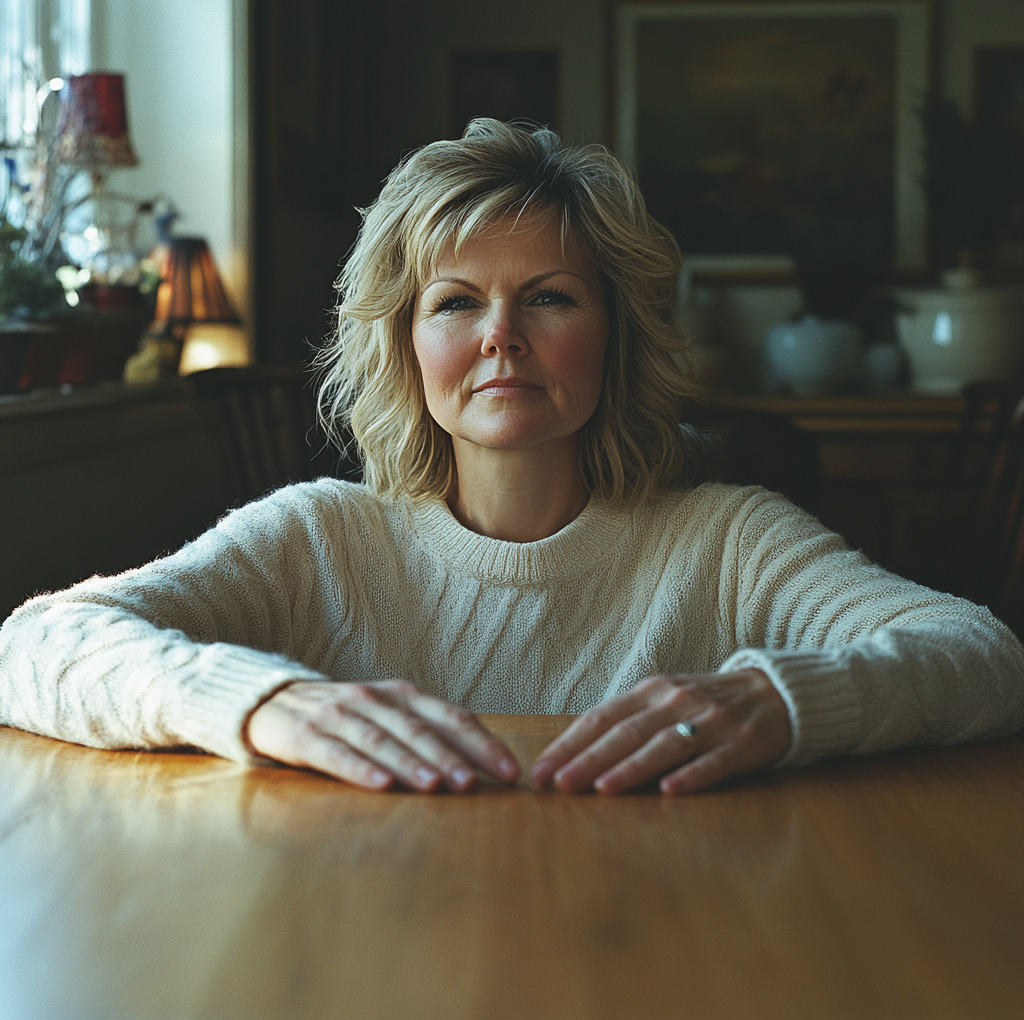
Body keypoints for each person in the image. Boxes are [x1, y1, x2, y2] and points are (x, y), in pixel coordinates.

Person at [1, 120, 1021, 795]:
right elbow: (34, 644)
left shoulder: (729, 536)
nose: (500, 336)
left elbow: (985, 657)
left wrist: (784, 700)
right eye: (454, 302)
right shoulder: (316, 534)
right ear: (403, 342)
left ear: (614, 332)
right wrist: (263, 701)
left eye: (548, 295)